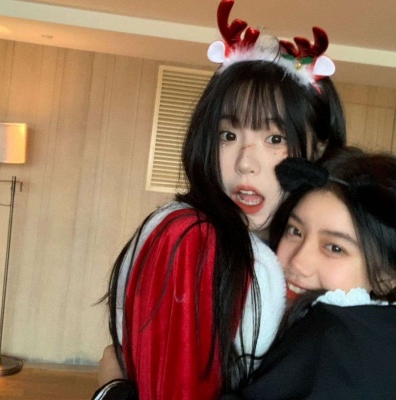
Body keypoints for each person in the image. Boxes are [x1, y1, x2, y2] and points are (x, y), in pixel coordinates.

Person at [91, 0, 346, 398]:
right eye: (228, 135)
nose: (245, 163)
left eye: (274, 138)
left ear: (318, 150)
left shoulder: (293, 251)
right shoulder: (191, 238)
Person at [221, 147, 396, 399]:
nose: (298, 262)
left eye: (334, 248)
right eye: (295, 231)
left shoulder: (332, 340)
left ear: (387, 277)